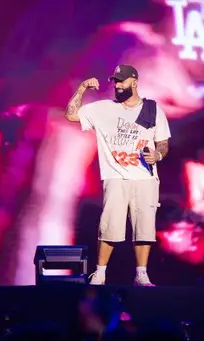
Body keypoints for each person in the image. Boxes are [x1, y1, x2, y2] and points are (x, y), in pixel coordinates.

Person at [64, 65, 171, 286]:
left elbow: (163, 143)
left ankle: (141, 273)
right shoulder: (103, 109)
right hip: (115, 177)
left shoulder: (152, 110)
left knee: (144, 228)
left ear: (134, 82)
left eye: (122, 81)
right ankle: (100, 273)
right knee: (109, 225)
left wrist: (157, 155)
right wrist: (83, 87)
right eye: (115, 81)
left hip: (145, 178)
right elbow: (71, 115)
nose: (118, 85)